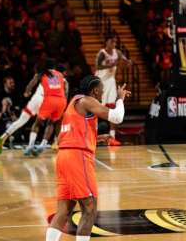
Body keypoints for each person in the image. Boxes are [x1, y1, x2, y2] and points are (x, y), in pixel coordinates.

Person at [45, 75, 130, 241]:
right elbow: (117, 117)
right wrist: (120, 99)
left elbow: (72, 133)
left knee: (64, 210)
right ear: (95, 91)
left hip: (64, 156)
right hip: (78, 158)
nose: (102, 95)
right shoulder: (87, 101)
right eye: (102, 92)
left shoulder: (74, 102)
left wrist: (96, 138)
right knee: (89, 208)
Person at [0, 71, 45, 155]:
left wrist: (27, 91)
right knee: (40, 123)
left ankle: (3, 138)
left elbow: (33, 82)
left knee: (21, 121)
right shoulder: (59, 77)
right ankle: (32, 145)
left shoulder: (42, 74)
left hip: (38, 99)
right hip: (46, 101)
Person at [95, 36, 132, 146]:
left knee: (113, 108)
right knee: (96, 109)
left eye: (115, 42)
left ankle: (112, 137)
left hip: (110, 82)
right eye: (111, 41)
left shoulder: (118, 53)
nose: (113, 44)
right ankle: (93, 135)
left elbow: (125, 61)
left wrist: (128, 63)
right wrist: (111, 64)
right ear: (107, 42)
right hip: (100, 82)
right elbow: (97, 66)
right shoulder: (102, 53)